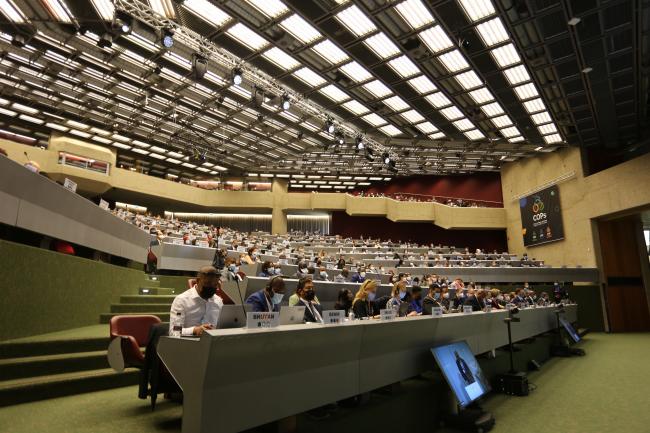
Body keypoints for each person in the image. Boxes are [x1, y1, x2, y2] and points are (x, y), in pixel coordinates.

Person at [169, 266, 223, 336]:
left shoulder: (218, 301)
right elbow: (174, 331)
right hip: (188, 343)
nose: (212, 287)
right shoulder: (181, 300)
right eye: (208, 283)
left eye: (215, 285)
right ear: (198, 281)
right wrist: (194, 330)